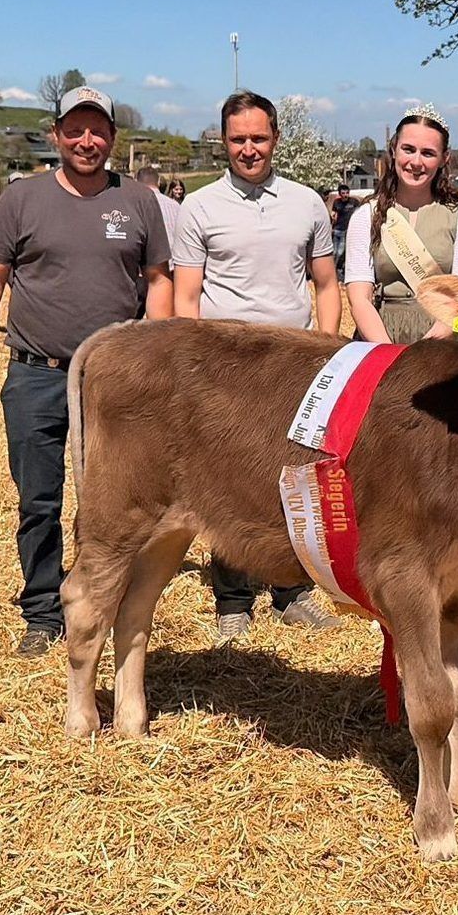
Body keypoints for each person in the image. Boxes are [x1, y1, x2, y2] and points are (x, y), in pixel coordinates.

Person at [0, 85, 172, 657]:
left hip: (115, 379)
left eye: (97, 129)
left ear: (112, 137)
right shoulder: (21, 200)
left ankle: (107, 600)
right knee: (39, 498)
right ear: (56, 134)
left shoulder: (138, 201)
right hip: (37, 374)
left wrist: (157, 356)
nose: (87, 140)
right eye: (75, 129)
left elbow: (158, 281)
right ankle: (43, 608)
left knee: (116, 503)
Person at [174, 90, 343, 637]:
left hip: (295, 364)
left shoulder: (306, 203)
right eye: (238, 139)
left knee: (295, 477)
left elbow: (326, 283)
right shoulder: (198, 207)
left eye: (259, 138)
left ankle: (293, 589)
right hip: (225, 367)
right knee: (227, 479)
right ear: (223, 141)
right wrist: (193, 365)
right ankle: (233, 600)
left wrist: (327, 350)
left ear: (275, 139)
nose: (249, 149)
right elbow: (186, 296)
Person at [345, 107, 458, 343]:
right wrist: (387, 354)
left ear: (444, 159)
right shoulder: (366, 215)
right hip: (378, 338)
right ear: (393, 150)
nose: (416, 162)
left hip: (444, 341)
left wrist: (423, 354)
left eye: (428, 153)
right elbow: (359, 298)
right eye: (408, 149)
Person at [134, 165, 182, 265]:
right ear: (159, 181)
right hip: (173, 264)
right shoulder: (175, 205)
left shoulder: (135, 206)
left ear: (136, 181)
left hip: (148, 268)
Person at [328, 182, 359, 278]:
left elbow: (359, 212)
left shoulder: (354, 202)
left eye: (347, 193)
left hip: (347, 230)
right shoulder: (337, 202)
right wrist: (331, 223)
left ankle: (337, 270)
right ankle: (333, 271)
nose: (345, 195)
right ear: (340, 194)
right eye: (343, 193)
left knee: (341, 252)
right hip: (337, 229)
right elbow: (334, 214)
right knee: (334, 252)